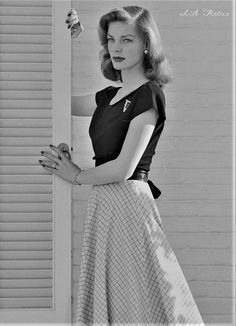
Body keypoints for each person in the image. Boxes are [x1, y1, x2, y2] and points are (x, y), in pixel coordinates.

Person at [40, 6, 205, 325]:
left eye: (126, 39)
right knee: (118, 299)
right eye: (111, 39)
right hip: (104, 205)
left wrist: (74, 174)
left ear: (146, 44)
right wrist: (67, 42)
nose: (115, 47)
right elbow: (56, 96)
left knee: (136, 300)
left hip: (129, 205)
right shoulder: (108, 97)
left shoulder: (149, 95)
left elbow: (123, 168)